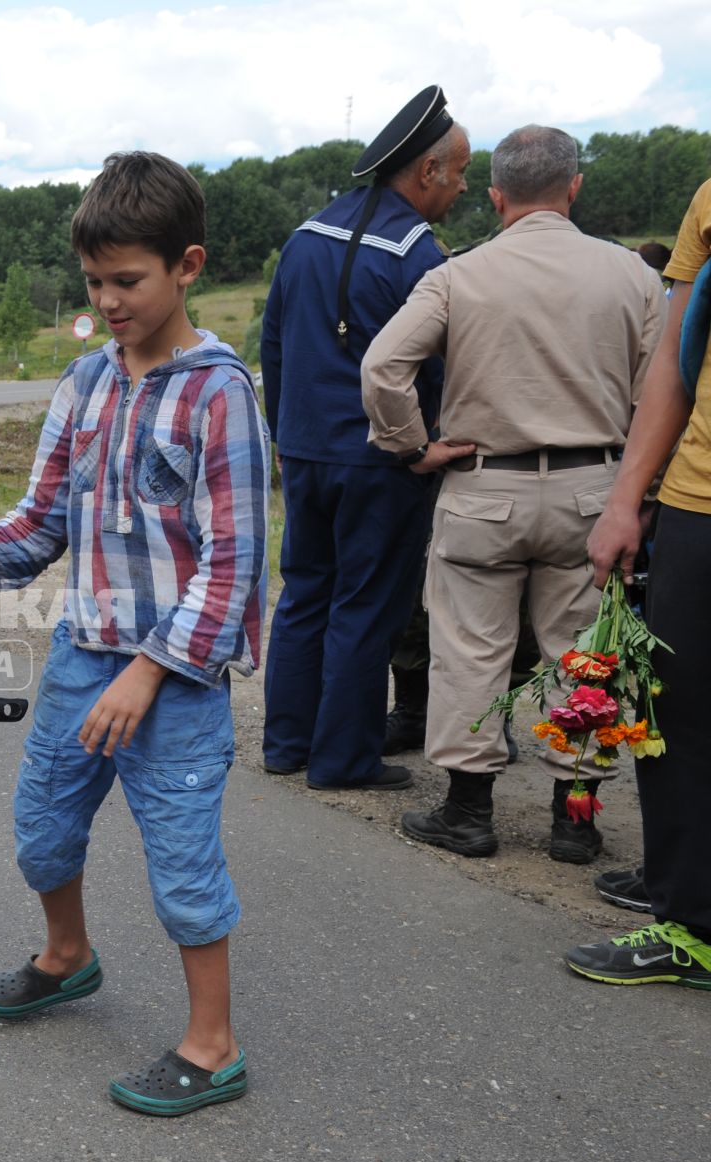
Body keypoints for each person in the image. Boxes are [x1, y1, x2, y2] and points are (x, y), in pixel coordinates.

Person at [0, 153, 270, 1116]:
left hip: (178, 682)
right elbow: (39, 525)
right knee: (42, 827)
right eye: (94, 283)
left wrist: (152, 672)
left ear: (187, 265)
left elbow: (235, 566)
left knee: (184, 863)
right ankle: (66, 954)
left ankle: (213, 1042)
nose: (109, 302)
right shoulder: (85, 383)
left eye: (129, 281)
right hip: (84, 655)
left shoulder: (218, 393)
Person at [362, 126, 665, 864]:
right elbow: (665, 389)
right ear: (575, 187)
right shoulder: (631, 276)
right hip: (595, 491)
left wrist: (412, 445)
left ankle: (468, 811)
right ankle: (576, 819)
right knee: (584, 656)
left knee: (469, 652)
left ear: (496, 197)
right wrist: (644, 489)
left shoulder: (459, 274)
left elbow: (382, 368)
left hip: (482, 488)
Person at [260, 87, 471, 791]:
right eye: (460, 171)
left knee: (304, 594)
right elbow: (437, 367)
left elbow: (274, 345)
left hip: (306, 452)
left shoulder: (304, 236)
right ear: (427, 171)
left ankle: (286, 741)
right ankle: (343, 758)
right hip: (382, 459)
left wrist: (285, 434)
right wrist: (425, 444)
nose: (463, 185)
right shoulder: (422, 257)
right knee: (366, 604)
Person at [568, 175, 711, 988]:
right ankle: (692, 920)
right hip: (698, 498)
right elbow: (674, 358)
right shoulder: (708, 200)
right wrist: (628, 498)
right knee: (677, 715)